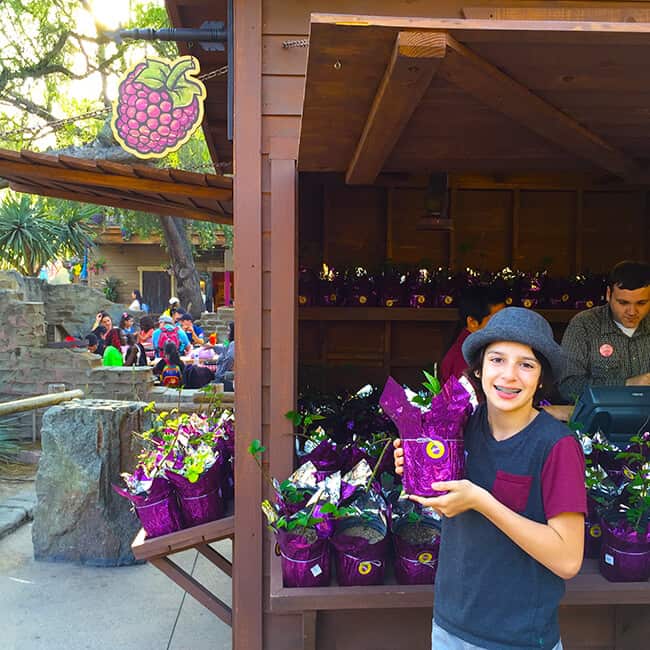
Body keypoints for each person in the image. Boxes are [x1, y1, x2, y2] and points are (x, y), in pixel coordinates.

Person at [394, 307, 585, 650]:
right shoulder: (459, 427)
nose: (509, 376)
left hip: (519, 638)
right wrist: (418, 470)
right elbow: (446, 509)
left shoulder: (556, 445)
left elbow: (568, 560)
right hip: (451, 626)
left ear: (541, 378)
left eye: (526, 364)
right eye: (497, 360)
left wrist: (482, 502)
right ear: (479, 369)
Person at [558, 260, 650, 401]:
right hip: (601, 420)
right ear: (608, 294)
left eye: (641, 303)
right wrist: (627, 384)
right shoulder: (584, 325)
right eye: (623, 303)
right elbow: (568, 387)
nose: (632, 312)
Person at [440, 286, 506, 383]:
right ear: (472, 322)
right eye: (496, 320)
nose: (504, 325)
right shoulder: (465, 358)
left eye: (505, 318)